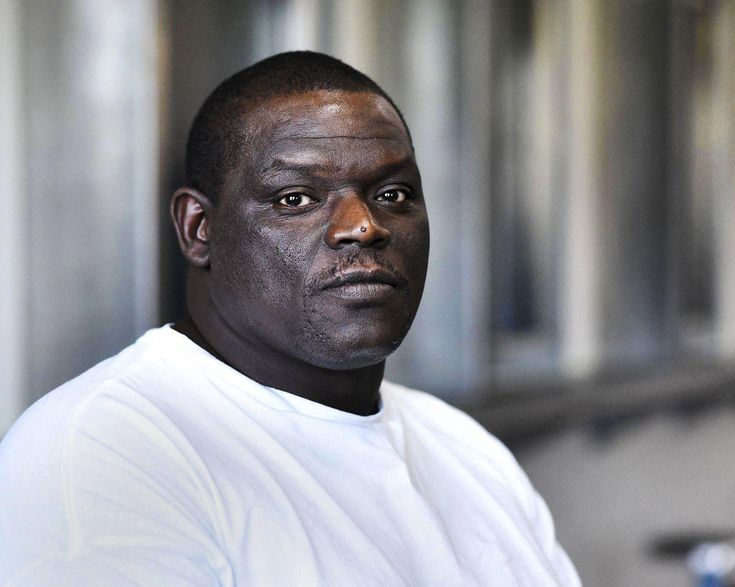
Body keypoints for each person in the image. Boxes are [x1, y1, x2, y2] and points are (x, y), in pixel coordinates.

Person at [0, 51, 580, 586]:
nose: (363, 226)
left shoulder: (466, 449)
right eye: (295, 198)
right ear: (199, 229)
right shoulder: (106, 454)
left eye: (393, 194)